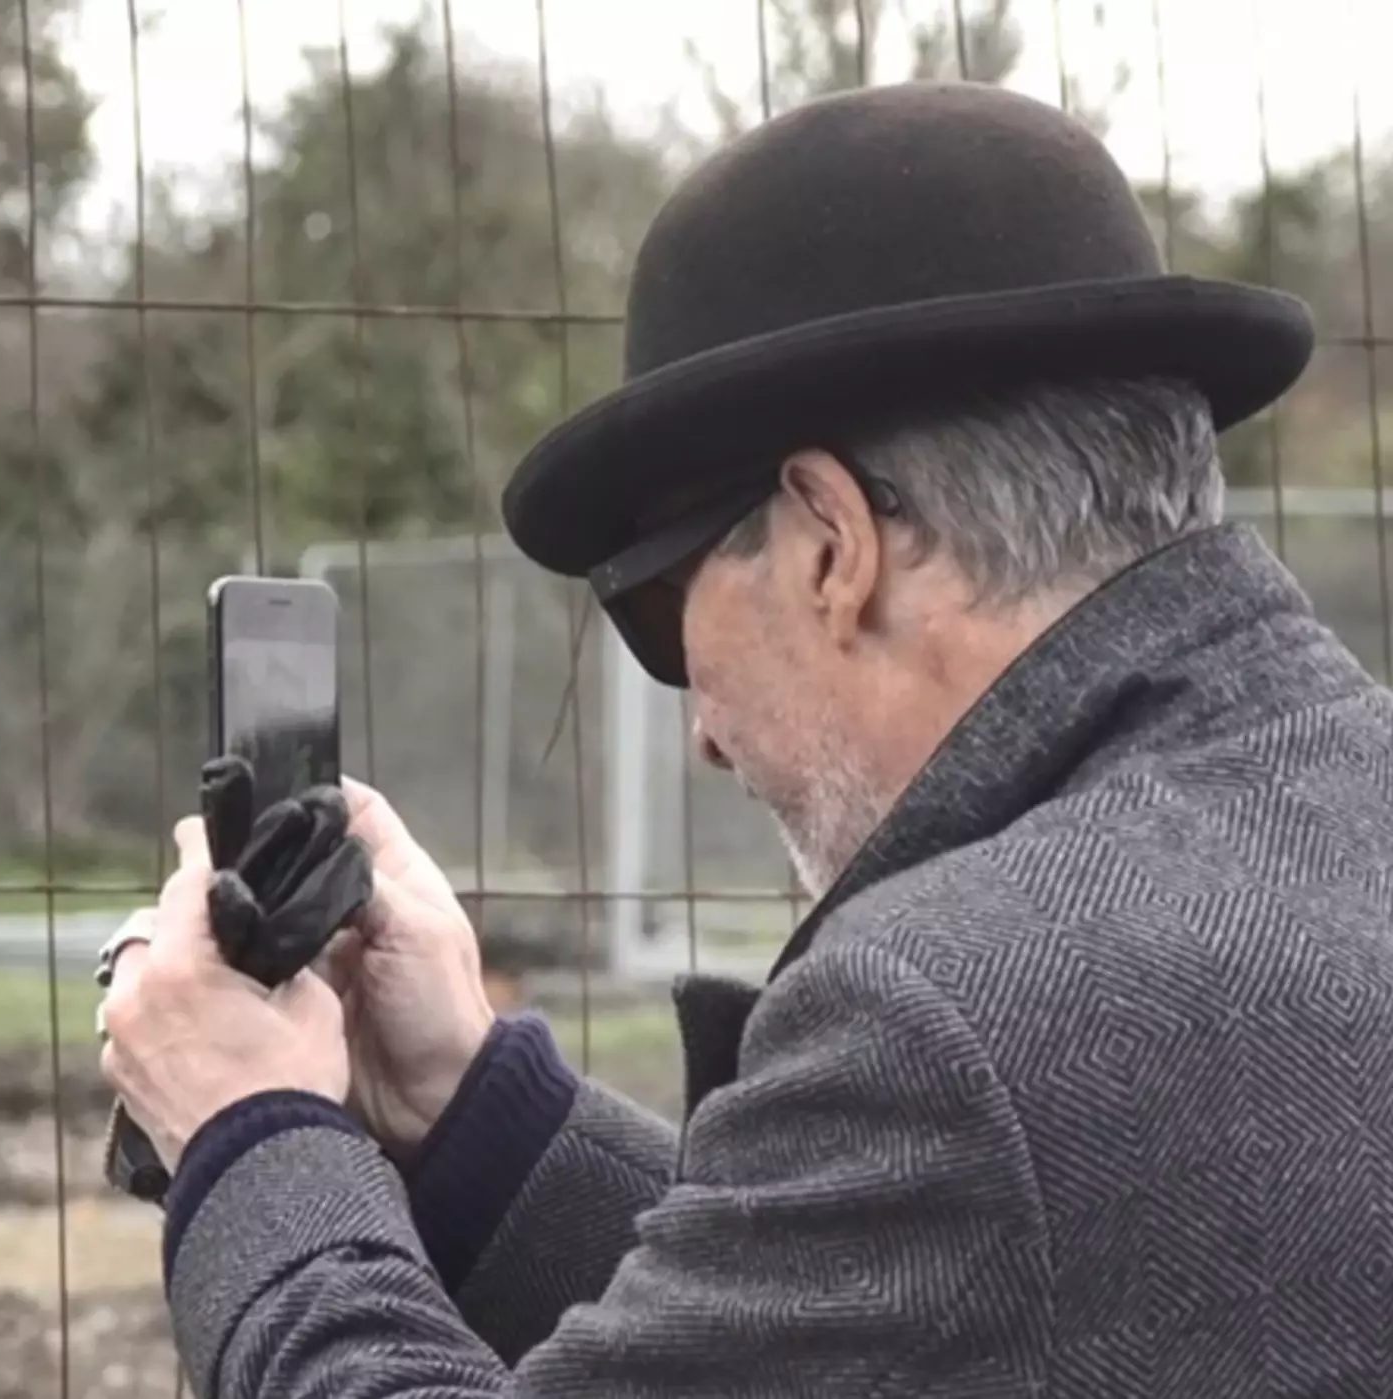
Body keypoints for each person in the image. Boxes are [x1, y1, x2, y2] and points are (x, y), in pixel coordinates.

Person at [96, 82, 1393, 1399]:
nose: (702, 734)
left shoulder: (949, 1019)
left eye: (658, 610)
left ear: (832, 542)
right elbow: (863, 1318)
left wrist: (249, 1133)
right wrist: (472, 1113)